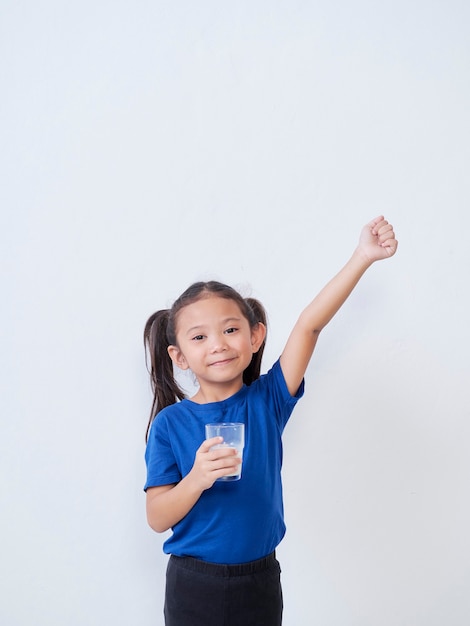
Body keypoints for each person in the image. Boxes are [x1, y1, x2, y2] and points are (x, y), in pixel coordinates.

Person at [143, 216, 398, 626]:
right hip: (194, 583)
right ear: (179, 356)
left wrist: (362, 256)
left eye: (230, 329)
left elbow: (309, 326)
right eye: (199, 337)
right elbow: (156, 518)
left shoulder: (268, 400)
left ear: (255, 336)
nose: (219, 345)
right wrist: (196, 479)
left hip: (258, 579)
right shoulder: (171, 424)